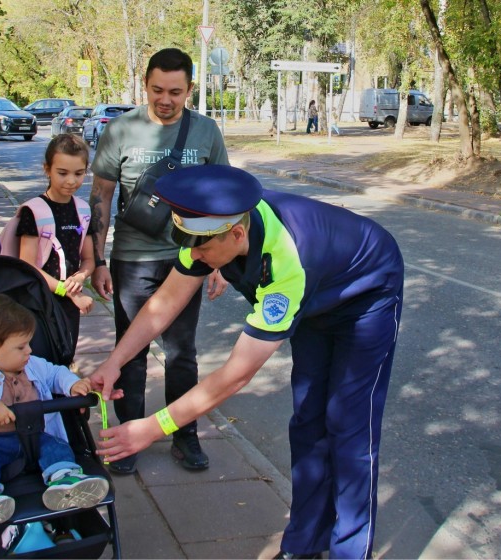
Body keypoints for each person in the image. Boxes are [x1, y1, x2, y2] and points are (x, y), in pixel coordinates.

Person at [92, 165, 404, 560]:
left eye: (203, 250)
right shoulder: (211, 232)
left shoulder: (288, 262)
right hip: (315, 301)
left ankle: (350, 552)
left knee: (349, 427)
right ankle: (303, 545)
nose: (195, 257)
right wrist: (115, 361)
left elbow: (237, 374)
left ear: (237, 234)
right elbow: (164, 303)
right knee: (308, 419)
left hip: (366, 295)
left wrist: (155, 427)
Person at [88, 47, 229, 474]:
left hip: (188, 258)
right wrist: (97, 259)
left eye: (175, 92)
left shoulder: (205, 131)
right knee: (130, 351)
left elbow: (221, 199)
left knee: (181, 352)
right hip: (132, 260)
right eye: (156, 90)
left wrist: (218, 263)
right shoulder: (121, 129)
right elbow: (100, 196)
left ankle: (184, 437)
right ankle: (127, 437)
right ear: (145, 85)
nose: (164, 100)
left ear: (189, 89)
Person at [0, 294, 114, 535]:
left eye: (29, 344)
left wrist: (72, 385)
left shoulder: (33, 364)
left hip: (35, 437)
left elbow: (55, 374)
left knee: (57, 448)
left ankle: (66, 481)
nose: (29, 350)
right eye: (21, 346)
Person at [6, 133, 94, 351]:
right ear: (47, 169)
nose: (71, 181)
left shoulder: (83, 210)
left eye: (79, 173)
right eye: (62, 173)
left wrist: (82, 276)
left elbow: (89, 258)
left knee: (65, 353)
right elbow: (28, 267)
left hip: (69, 302)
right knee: (38, 359)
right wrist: (69, 292)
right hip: (36, 302)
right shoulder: (33, 211)